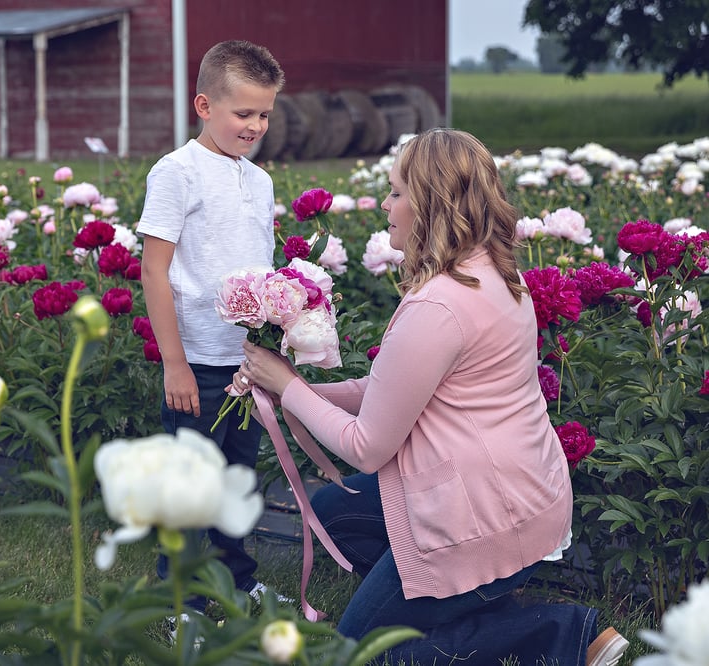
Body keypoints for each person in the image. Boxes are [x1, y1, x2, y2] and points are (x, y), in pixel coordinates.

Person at [233, 128, 630, 666]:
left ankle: (559, 633)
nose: (388, 205)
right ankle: (461, 603)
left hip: (480, 522)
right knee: (330, 512)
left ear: (432, 205)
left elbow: (368, 448)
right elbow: (386, 391)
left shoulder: (438, 307)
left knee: (362, 656)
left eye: (397, 192)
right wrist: (292, 392)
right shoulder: (489, 273)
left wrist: (288, 387)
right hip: (522, 497)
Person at [136, 39, 290, 618]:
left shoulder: (260, 181)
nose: (255, 125)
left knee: (235, 480)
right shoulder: (177, 173)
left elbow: (260, 271)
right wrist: (175, 362)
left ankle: (234, 579)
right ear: (204, 105)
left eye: (265, 114)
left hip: (245, 361)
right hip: (196, 362)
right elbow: (155, 269)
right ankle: (178, 597)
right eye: (243, 113)